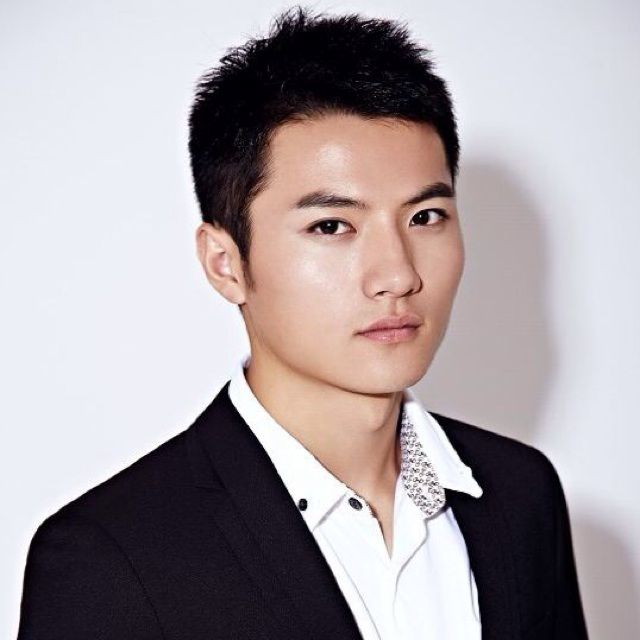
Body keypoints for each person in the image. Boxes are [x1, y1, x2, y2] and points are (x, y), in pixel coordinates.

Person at [16, 6, 589, 639]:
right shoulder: (109, 559)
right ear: (226, 263)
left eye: (425, 217)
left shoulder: (520, 494)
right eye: (332, 226)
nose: (397, 274)